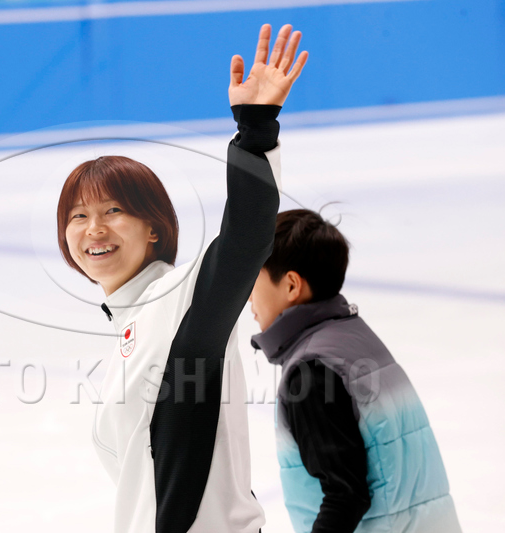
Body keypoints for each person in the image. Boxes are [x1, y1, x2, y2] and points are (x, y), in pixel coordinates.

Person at [56, 24, 307, 533]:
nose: (94, 229)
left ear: (153, 227)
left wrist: (256, 131)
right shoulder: (129, 328)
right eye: (78, 216)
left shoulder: (177, 298)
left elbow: (245, 239)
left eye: (113, 210)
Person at [248, 209, 462, 533]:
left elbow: (346, 496)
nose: (248, 295)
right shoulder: (353, 340)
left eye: (255, 278)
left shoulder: (311, 372)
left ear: (291, 285)